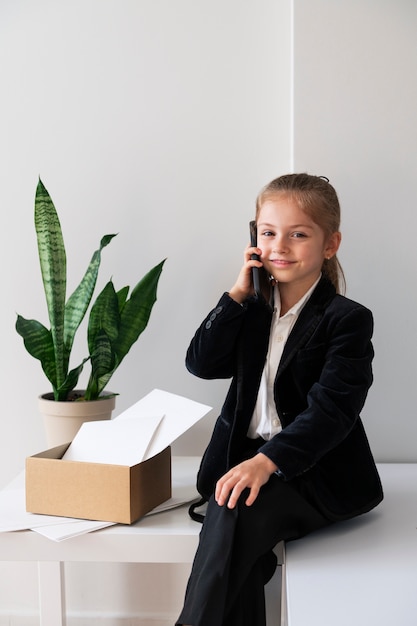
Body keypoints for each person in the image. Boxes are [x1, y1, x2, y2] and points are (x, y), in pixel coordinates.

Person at [176, 173, 383, 626]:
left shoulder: (346, 321)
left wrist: (266, 461)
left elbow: (333, 411)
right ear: (254, 238)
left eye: (299, 234)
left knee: (231, 513)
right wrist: (236, 294)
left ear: (330, 245)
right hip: (241, 466)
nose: (280, 246)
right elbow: (201, 364)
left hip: (311, 472)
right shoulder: (247, 311)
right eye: (268, 233)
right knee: (241, 546)